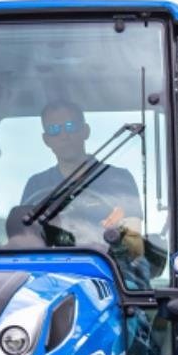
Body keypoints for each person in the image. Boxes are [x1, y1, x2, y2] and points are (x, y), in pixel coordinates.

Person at [20, 100, 146, 263]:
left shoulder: (118, 179)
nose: (64, 136)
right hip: (50, 270)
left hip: (109, 271)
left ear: (85, 131)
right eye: (54, 129)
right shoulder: (36, 184)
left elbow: (133, 246)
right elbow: (24, 240)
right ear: (46, 140)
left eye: (70, 126)